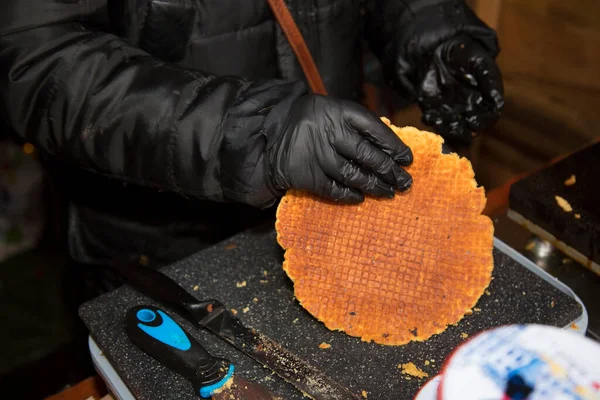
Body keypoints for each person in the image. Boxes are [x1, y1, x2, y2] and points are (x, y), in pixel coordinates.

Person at [0, 1, 503, 297]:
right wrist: (254, 130)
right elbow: (33, 56)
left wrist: (432, 32)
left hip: (337, 198)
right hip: (160, 237)